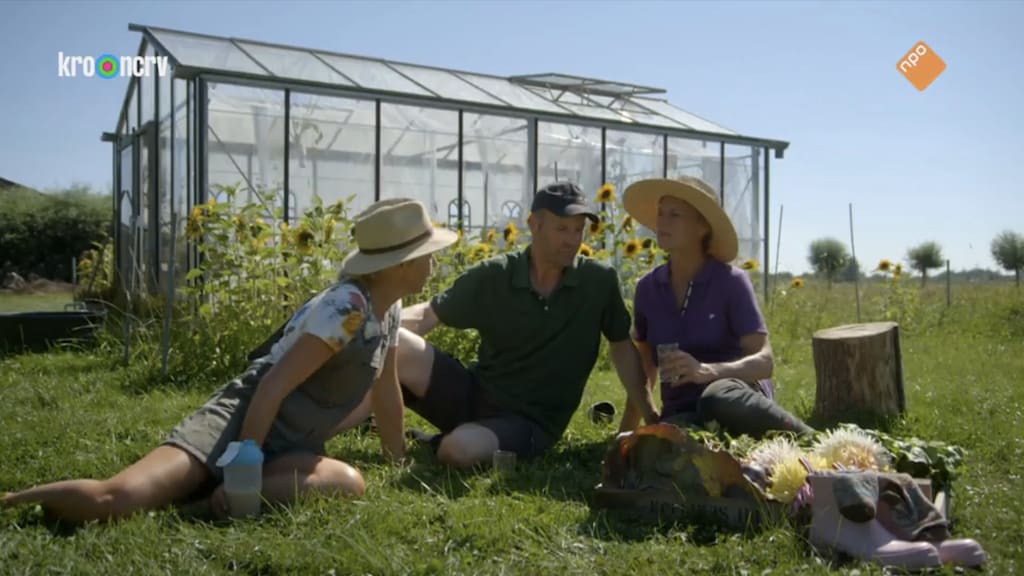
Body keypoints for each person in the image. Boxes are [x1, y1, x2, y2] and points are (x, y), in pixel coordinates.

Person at [1, 198, 457, 523]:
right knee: (115, 501)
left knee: (349, 483)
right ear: (398, 264)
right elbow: (272, 386)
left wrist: (396, 459)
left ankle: (206, 502)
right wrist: (247, 462)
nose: (433, 264)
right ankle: (12, 500)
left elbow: (385, 385)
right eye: (426, 256)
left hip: (290, 445)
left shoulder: (388, 307)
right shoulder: (347, 309)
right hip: (238, 425)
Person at [397, 182, 659, 467]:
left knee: (458, 449)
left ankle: (440, 441)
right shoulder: (496, 274)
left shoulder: (598, 282)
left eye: (578, 229)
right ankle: (341, 419)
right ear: (534, 225)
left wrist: (653, 418)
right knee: (392, 341)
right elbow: (428, 314)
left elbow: (622, 348)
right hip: (474, 394)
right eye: (562, 229)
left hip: (529, 422)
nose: (573, 240)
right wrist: (363, 330)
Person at [617, 176, 813, 439]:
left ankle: (813, 440)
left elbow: (764, 362)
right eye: (661, 213)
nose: (662, 221)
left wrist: (708, 372)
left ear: (702, 227)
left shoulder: (730, 282)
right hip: (683, 412)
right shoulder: (648, 288)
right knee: (660, 447)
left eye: (674, 214)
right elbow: (645, 365)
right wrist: (629, 433)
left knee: (716, 397)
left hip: (735, 398)